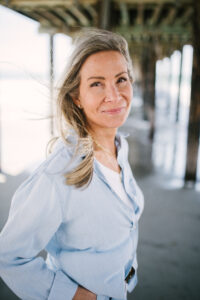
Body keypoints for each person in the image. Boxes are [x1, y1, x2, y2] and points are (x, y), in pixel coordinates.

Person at [0, 29, 144, 300]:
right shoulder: (58, 173)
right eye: (96, 84)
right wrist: (74, 296)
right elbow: (9, 256)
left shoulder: (119, 149)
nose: (114, 95)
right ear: (76, 96)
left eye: (121, 79)